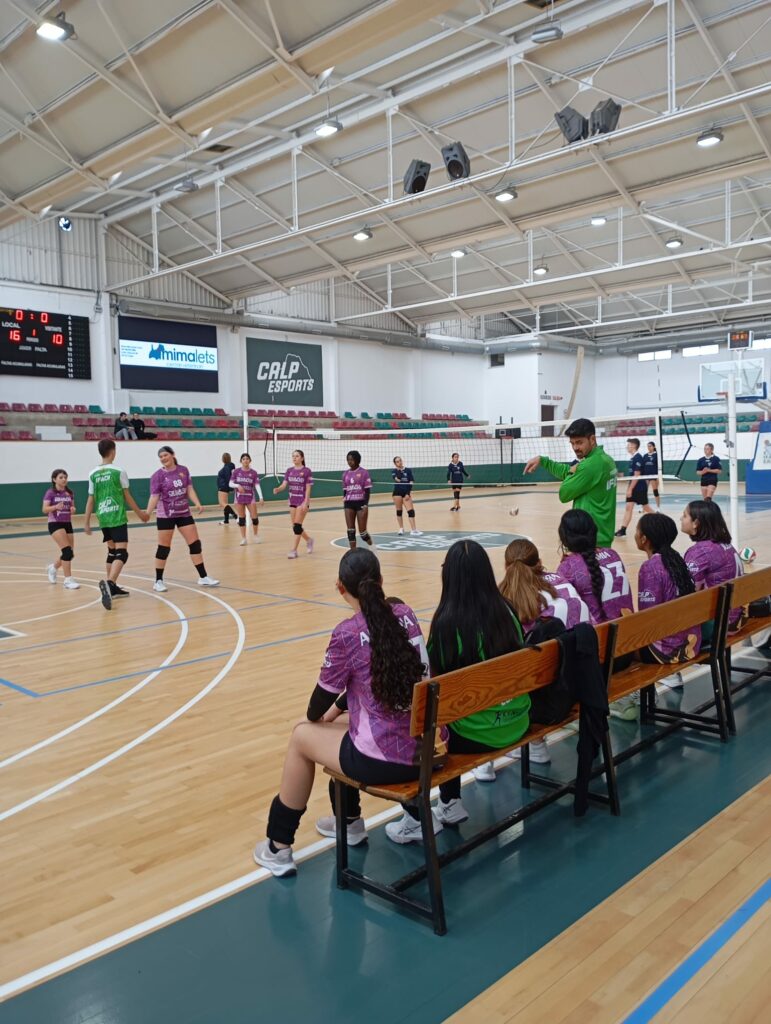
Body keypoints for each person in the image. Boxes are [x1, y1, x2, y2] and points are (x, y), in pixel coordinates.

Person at [252, 549, 431, 876]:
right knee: (350, 724)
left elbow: (315, 706)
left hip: (388, 760)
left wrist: (322, 718)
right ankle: (348, 823)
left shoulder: (347, 633)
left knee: (301, 737)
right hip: (429, 744)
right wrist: (336, 714)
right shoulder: (404, 613)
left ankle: (278, 847)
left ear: (340, 587)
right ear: (381, 581)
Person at [387, 540, 530, 840]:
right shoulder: (508, 610)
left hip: (475, 736)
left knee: (426, 720)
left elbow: (428, 678)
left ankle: (433, 809)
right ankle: (449, 803)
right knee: (451, 709)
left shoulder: (447, 622)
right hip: (518, 721)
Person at [496, 538, 590, 764]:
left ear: (507, 567)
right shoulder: (561, 580)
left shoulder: (514, 597)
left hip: (555, 695)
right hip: (589, 678)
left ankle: (535, 743)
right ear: (539, 562)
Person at [524, 417, 618, 547]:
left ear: (592, 439)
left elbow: (564, 493)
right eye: (572, 443)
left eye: (579, 442)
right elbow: (571, 472)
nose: (575, 447)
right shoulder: (605, 459)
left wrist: (570, 473)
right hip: (602, 536)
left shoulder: (590, 465)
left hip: (590, 541)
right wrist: (543, 461)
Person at [635, 514, 700, 689]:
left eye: (637, 530)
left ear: (644, 538)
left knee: (617, 650)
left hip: (668, 650)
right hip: (692, 642)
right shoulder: (677, 560)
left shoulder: (649, 568)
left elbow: (647, 617)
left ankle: (630, 698)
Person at [83, 439, 149, 610]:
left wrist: (86, 521)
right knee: (122, 553)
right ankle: (110, 583)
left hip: (103, 516)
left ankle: (112, 588)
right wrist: (140, 513)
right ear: (113, 451)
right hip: (117, 516)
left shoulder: (93, 474)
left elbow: (91, 499)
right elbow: (127, 496)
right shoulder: (119, 471)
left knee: (112, 552)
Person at [146, 446, 219, 592]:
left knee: (195, 544)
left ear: (172, 455)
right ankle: (158, 581)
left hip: (184, 513)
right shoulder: (157, 476)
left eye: (165, 455)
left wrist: (197, 503)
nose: (163, 458)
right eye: (160, 457)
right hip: (166, 515)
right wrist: (147, 513)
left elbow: (189, 489)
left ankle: (203, 577)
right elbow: (154, 497)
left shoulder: (183, 470)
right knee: (163, 548)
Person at [681, 500, 744, 636]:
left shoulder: (699, 552)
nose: (681, 518)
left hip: (720, 622)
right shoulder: (727, 545)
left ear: (696, 523)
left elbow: (688, 594)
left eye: (685, 515)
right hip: (737, 616)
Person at [273, 449, 314, 559]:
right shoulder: (289, 470)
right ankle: (309, 540)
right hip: (292, 501)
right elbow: (284, 485)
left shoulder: (307, 471)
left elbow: (308, 489)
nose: (294, 458)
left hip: (302, 501)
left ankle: (294, 550)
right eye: (293, 456)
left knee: (297, 526)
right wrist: (278, 489)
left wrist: (306, 502)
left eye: (296, 456)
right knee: (295, 527)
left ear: (302, 458)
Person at [43, 468, 80, 590]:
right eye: (61, 477)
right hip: (55, 523)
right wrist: (55, 507)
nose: (64, 479)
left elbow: (72, 507)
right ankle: (68, 580)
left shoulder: (69, 492)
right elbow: (44, 509)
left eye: (65, 477)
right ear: (54, 479)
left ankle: (53, 568)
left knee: (70, 553)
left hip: (67, 523)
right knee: (67, 552)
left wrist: (73, 509)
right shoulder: (50, 493)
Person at [615, 438, 654, 537]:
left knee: (645, 507)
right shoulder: (633, 458)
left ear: (633, 445)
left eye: (628, 445)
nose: (627, 447)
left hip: (639, 487)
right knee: (628, 507)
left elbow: (637, 475)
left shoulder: (638, 458)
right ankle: (623, 530)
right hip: (633, 485)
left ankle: (660, 519)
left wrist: (630, 489)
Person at [230, 452, 264, 546]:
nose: (245, 460)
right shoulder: (236, 472)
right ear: (241, 461)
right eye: (243, 459)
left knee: (255, 517)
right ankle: (244, 538)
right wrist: (237, 485)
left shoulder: (253, 473)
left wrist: (261, 497)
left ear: (250, 461)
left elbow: (257, 485)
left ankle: (256, 535)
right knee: (241, 518)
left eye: (247, 459)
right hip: (239, 498)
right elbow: (230, 483)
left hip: (250, 497)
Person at [343, 450, 373, 549]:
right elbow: (345, 490)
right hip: (349, 503)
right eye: (348, 460)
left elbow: (367, 490)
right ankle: (353, 553)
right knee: (350, 531)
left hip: (361, 503)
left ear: (357, 460)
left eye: (351, 459)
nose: (349, 461)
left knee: (363, 533)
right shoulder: (345, 474)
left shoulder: (364, 472)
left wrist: (365, 504)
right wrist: (344, 498)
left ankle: (372, 546)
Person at [391, 456, 422, 536]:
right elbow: (397, 479)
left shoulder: (408, 470)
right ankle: (401, 528)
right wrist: (400, 471)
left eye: (400, 460)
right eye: (397, 461)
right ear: (395, 463)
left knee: (411, 511)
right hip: (397, 493)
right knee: (399, 511)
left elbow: (411, 482)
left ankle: (413, 530)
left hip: (406, 493)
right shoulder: (394, 471)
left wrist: (408, 493)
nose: (399, 462)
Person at [217, 452, 237, 525]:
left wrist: (230, 488)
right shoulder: (230, 466)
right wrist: (231, 488)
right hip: (225, 487)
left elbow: (228, 478)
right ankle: (226, 520)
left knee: (222, 503)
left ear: (223, 459)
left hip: (223, 487)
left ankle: (235, 516)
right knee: (225, 504)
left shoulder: (226, 468)